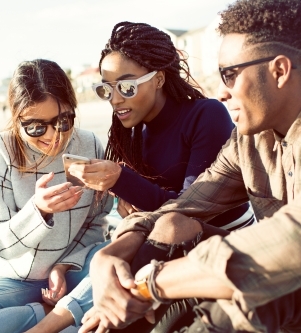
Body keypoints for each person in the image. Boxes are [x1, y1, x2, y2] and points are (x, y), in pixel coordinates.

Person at [81, 1, 301, 332]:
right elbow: (185, 204)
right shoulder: (252, 139)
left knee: (273, 284)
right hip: (300, 292)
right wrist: (110, 255)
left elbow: (295, 245)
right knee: (174, 227)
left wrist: (153, 282)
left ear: (279, 70)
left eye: (230, 75)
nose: (221, 92)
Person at [26, 22, 255, 333]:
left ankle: (71, 323)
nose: (116, 99)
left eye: (127, 86)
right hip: (161, 244)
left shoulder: (206, 115)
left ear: (159, 78)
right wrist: (126, 200)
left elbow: (190, 208)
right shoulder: (131, 133)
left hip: (218, 240)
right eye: (106, 89)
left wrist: (121, 180)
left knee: (148, 242)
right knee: (117, 255)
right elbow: (154, 206)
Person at [0, 59, 113, 333]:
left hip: (73, 273)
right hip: (15, 280)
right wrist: (37, 212)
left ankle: (59, 316)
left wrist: (63, 266)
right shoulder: (0, 151)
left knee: (117, 257)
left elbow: (96, 223)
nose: (53, 136)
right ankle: (54, 314)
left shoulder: (88, 143)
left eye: (63, 121)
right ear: (17, 119)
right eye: (37, 127)